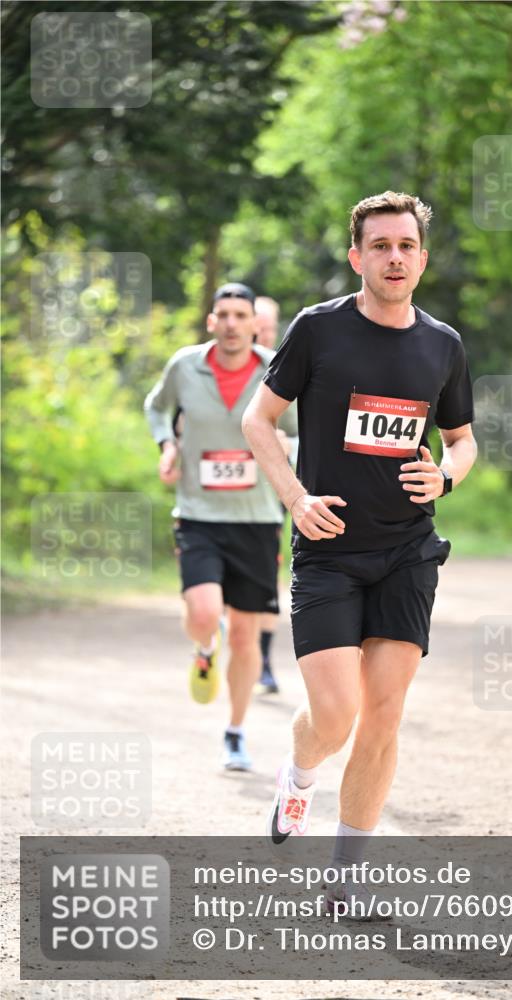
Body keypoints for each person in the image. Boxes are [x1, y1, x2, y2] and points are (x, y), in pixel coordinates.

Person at [242, 191, 477, 909]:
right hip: (329, 551)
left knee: (382, 717)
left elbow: (463, 440)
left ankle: (345, 875)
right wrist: (295, 498)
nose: (394, 257)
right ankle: (299, 774)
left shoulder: (442, 344)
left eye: (405, 245)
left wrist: (443, 471)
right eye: (379, 246)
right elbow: (258, 418)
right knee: (336, 716)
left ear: (422, 258)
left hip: (407, 551)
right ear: (357, 257)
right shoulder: (318, 331)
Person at [144, 282, 297, 771]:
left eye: (240, 315)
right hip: (198, 514)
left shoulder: (278, 368)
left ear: (255, 323)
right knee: (206, 613)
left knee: (246, 637)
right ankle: (203, 648)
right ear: (212, 321)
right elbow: (155, 406)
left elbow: (299, 432)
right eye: (223, 315)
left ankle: (235, 731)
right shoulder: (185, 366)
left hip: (256, 520)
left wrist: (278, 449)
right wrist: (167, 444)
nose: (231, 323)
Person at [254, 296, 283, 693]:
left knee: (266, 576)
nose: (262, 334)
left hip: (269, 493)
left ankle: (262, 661)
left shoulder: (286, 364)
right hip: (219, 501)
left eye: (269, 328)